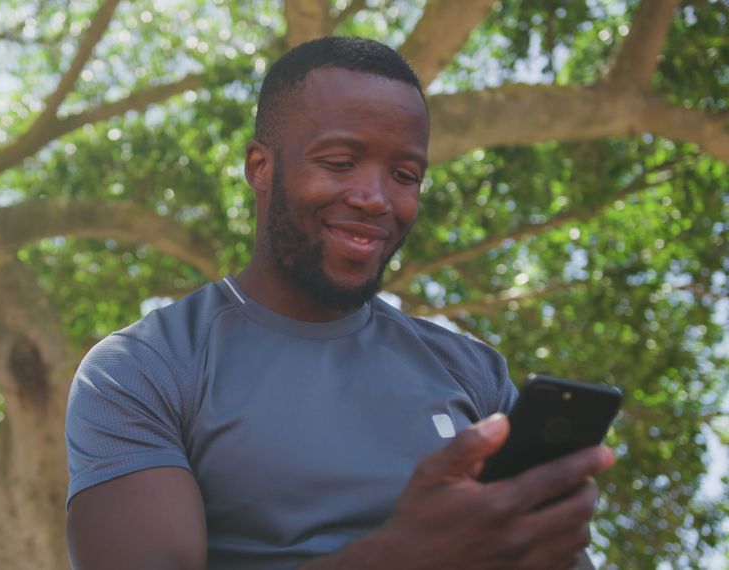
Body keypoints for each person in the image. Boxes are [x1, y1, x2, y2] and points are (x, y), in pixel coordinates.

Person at [64, 37, 614, 569]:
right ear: (261, 167)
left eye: (405, 176)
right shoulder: (143, 368)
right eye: (340, 162)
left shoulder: (472, 372)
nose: (375, 198)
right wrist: (403, 557)